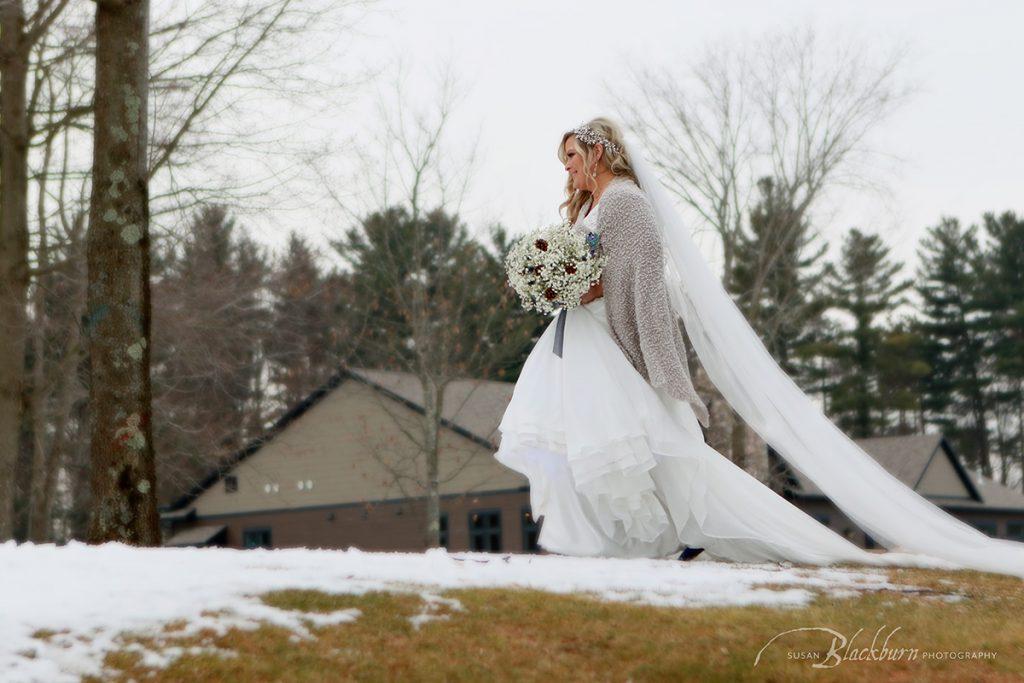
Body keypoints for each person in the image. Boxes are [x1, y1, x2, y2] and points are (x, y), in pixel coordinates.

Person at [493, 117, 1024, 578]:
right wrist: (554, 283)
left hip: (605, 339)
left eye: (572, 158)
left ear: (598, 153)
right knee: (595, 445)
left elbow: (636, 285)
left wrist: (573, 291)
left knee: (634, 449)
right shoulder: (597, 204)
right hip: (585, 338)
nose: (567, 170)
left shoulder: (625, 203)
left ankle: (674, 537)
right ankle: (620, 543)